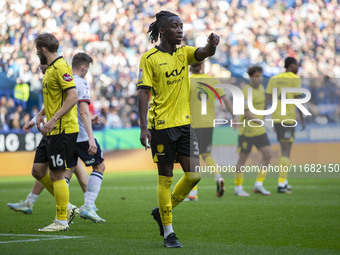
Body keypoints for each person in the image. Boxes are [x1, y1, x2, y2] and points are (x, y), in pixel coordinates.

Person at [137, 11, 219, 248]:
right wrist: (144, 127)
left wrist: (211, 45)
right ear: (162, 31)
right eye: (175, 26)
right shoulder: (149, 58)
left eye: (181, 26)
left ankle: (162, 211)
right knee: (165, 179)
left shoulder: (184, 53)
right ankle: (169, 233)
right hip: (161, 126)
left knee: (194, 175)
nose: (180, 30)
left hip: (184, 124)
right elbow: (143, 92)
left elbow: (204, 53)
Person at [32, 33, 79, 232]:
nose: (36, 53)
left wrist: (52, 119)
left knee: (57, 174)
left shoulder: (60, 67)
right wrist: (41, 114)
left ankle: (61, 221)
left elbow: (73, 96)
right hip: (51, 129)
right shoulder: (50, 69)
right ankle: (67, 206)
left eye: (37, 50)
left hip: (62, 129)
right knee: (37, 170)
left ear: (43, 49)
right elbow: (55, 97)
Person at [185, 61, 234, 201]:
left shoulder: (188, 82)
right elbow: (225, 100)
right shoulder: (212, 80)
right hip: (208, 123)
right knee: (206, 154)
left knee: (192, 158)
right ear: (202, 67)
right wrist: (234, 116)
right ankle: (218, 177)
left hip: (193, 123)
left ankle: (193, 193)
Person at [70, 52, 106, 223]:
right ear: (84, 67)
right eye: (87, 69)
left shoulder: (64, 81)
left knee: (65, 173)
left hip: (66, 134)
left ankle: (62, 214)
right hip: (81, 136)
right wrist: (91, 138)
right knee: (99, 166)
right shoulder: (81, 83)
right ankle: (89, 206)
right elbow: (83, 111)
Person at [265, 57, 306, 193]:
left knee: (285, 150)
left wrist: (264, 116)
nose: (298, 68)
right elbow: (298, 99)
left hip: (277, 118)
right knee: (286, 151)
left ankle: (285, 181)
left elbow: (267, 98)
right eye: (297, 65)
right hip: (287, 119)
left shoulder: (273, 79)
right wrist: (302, 118)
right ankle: (281, 184)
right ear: (291, 65)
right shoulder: (294, 79)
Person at [234, 66, 272, 196]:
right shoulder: (245, 91)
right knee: (242, 160)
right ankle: (238, 188)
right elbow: (247, 112)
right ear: (250, 77)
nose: (259, 79)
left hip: (259, 130)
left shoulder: (262, 89)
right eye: (256, 76)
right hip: (247, 131)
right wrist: (262, 122)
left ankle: (259, 184)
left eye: (260, 76)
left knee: (268, 154)